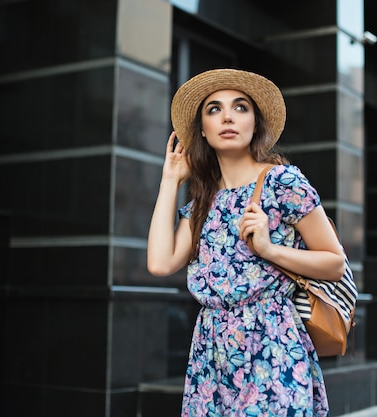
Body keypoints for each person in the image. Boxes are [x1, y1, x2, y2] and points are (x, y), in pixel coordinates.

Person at [147, 68, 346, 416]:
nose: (227, 116)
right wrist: (170, 178)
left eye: (240, 108)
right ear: (203, 133)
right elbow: (160, 263)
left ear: (255, 124)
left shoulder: (283, 182)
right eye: (214, 109)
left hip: (272, 343)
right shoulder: (203, 203)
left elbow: (334, 262)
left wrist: (269, 250)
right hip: (211, 352)